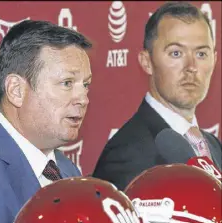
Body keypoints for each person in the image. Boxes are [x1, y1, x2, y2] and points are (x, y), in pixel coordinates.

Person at [93, 2, 221, 191]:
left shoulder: (213, 145)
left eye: (201, 54)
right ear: (146, 62)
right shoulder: (127, 152)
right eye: (176, 53)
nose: (191, 66)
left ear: (215, 60)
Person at [0, 20, 93, 223]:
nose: (83, 99)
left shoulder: (67, 171)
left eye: (86, 85)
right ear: (16, 90)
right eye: (67, 83)